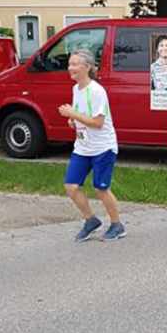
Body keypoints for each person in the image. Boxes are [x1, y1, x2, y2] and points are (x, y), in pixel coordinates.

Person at [58, 49, 126, 241]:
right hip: (82, 147)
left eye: (74, 64)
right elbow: (80, 116)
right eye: (69, 64)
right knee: (71, 186)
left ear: (87, 67)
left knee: (100, 188)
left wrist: (72, 115)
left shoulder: (97, 91)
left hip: (103, 147)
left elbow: (97, 122)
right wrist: (72, 121)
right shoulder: (75, 89)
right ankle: (91, 220)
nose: (70, 68)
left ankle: (117, 225)